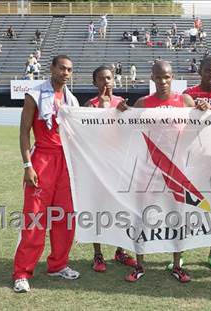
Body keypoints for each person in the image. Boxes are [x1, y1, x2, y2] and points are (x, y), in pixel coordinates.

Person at [124, 60, 210, 283]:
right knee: (143, 215)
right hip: (150, 169)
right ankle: (140, 265)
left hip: (177, 171)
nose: (163, 81)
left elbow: (199, 129)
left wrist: (204, 110)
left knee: (178, 217)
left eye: (167, 77)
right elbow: (127, 128)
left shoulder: (184, 100)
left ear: (172, 77)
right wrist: (121, 112)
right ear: (152, 78)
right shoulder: (143, 103)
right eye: (159, 77)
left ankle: (177, 264)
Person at [13, 55, 81, 293]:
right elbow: (23, 132)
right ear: (52, 68)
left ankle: (58, 265)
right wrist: (27, 165)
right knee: (34, 217)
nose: (65, 72)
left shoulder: (71, 100)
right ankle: (22, 272)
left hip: (66, 162)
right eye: (61, 68)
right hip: (42, 159)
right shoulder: (34, 95)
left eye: (69, 70)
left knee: (65, 217)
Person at [83, 66, 136, 271]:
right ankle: (98, 254)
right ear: (94, 82)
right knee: (98, 210)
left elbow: (131, 133)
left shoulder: (122, 103)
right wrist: (103, 109)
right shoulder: (89, 106)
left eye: (109, 78)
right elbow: (86, 135)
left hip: (120, 166)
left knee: (122, 210)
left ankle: (120, 250)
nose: (106, 82)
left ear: (114, 80)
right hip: (98, 166)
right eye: (101, 79)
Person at [179, 57, 211, 272]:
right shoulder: (188, 94)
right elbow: (179, 123)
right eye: (208, 71)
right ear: (200, 71)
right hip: (191, 158)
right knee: (187, 208)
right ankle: (179, 252)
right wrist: (195, 110)